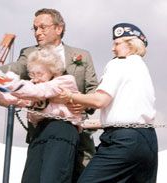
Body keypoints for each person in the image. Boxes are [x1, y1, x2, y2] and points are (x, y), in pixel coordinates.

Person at [0, 8, 98, 182]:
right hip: (40, 132)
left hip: (74, 132)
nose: (37, 32)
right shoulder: (30, 54)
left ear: (59, 28)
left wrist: (83, 103)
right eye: (35, 28)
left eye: (42, 27)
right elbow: (15, 69)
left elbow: (93, 90)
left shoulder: (81, 57)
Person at [60, 23, 158, 183]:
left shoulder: (118, 64)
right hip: (148, 141)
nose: (113, 48)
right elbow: (128, 110)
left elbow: (100, 100)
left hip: (123, 141)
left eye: (117, 43)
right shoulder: (142, 68)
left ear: (131, 45)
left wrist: (70, 95)